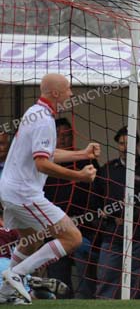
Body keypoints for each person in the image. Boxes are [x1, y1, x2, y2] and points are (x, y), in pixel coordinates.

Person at [0, 74, 99, 304]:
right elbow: (42, 164)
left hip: (10, 190)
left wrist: (82, 154)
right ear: (55, 93)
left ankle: (4, 293)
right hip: (24, 193)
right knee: (72, 237)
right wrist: (79, 176)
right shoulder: (44, 120)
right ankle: (17, 274)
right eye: (68, 89)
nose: (71, 94)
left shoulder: (34, 112)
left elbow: (48, 153)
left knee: (31, 241)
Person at [94, 126, 140, 299]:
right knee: (106, 279)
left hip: (139, 233)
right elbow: (95, 198)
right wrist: (103, 214)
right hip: (112, 233)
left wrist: (136, 212)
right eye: (121, 143)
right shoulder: (107, 170)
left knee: (137, 283)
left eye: (130, 143)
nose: (125, 147)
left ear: (138, 145)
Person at [44, 117, 100, 299]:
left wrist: (90, 218)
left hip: (83, 229)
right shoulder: (44, 163)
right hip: (53, 230)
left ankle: (87, 303)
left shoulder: (86, 162)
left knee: (87, 284)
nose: (62, 139)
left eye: (66, 135)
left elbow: (98, 193)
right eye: (58, 135)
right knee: (58, 282)